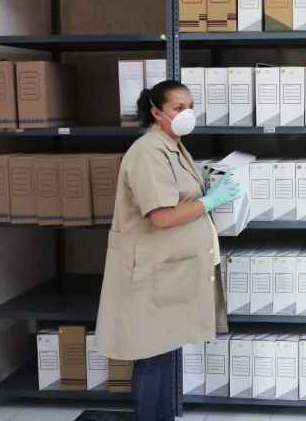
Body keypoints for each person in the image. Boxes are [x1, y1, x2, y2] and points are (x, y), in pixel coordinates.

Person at [95, 80, 241, 421]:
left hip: (170, 270)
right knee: (152, 357)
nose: (187, 113)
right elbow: (161, 217)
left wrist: (209, 180)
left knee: (164, 352)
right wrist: (211, 201)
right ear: (156, 113)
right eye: (178, 108)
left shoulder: (172, 145)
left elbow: (178, 191)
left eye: (190, 106)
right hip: (151, 273)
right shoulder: (148, 152)